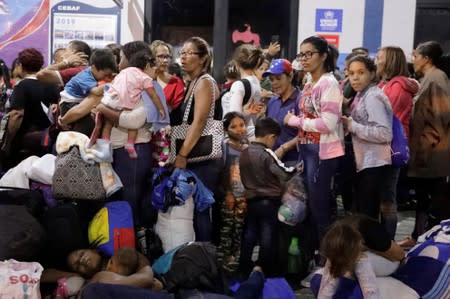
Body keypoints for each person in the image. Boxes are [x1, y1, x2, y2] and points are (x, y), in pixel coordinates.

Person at [284, 36, 344, 263]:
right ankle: (317, 255)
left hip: (322, 151)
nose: (305, 59)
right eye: (302, 54)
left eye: (309, 54)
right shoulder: (310, 82)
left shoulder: (328, 83)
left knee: (320, 207)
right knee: (313, 204)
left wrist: (296, 122)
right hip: (308, 149)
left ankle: (327, 260)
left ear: (323, 56)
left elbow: (327, 124)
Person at [95, 41, 156, 236]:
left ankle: (132, 249)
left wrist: (103, 109)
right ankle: (119, 245)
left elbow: (134, 120)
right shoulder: (124, 81)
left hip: (134, 151)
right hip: (119, 149)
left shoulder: (147, 84)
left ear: (131, 60)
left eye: (121, 58)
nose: (118, 62)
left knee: (131, 201)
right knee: (120, 202)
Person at [170, 36, 221, 242]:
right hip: (195, 157)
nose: (183, 57)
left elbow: (199, 122)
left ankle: (205, 257)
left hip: (204, 159)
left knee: (202, 210)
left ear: (202, 59)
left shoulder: (205, 82)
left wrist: (182, 154)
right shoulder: (191, 83)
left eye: (189, 53)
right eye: (181, 53)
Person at [401, 41, 450, 248]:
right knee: (423, 198)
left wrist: (428, 145)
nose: (413, 59)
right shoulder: (427, 78)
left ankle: (429, 240)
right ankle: (418, 236)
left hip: (432, 151)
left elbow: (442, 116)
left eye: (416, 55)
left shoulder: (437, 78)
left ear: (426, 58)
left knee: (432, 200)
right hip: (424, 150)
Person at [238, 117, 297, 277]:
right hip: (268, 201)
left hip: (251, 200)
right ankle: (263, 268)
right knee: (267, 235)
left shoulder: (244, 152)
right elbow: (283, 173)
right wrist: (297, 170)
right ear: (271, 136)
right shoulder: (266, 154)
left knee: (250, 233)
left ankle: (243, 267)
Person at [375, 46, 420, 239]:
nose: (376, 61)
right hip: (381, 147)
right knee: (383, 195)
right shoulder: (386, 84)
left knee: (387, 197)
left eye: (379, 57)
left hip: (390, 148)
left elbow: (384, 116)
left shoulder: (397, 87)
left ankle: (387, 239)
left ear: (390, 61)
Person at [341, 55, 393, 220]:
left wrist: (352, 125)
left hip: (374, 164)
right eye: (351, 73)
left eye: (361, 72)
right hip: (366, 162)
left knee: (367, 215)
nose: (355, 77)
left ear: (372, 73)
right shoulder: (362, 94)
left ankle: (373, 245)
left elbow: (384, 133)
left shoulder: (373, 96)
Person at [318, 215, 405, 299]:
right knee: (335, 258)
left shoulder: (372, 234)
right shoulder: (335, 235)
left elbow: (400, 256)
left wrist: (368, 249)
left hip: (391, 261)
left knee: (360, 260)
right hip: (356, 250)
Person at [100, 49, 166, 159]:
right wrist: (161, 109)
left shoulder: (124, 72)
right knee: (133, 128)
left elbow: (114, 85)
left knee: (107, 124)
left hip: (111, 100)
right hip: (127, 104)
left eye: (121, 58)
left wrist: (102, 107)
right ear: (147, 66)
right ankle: (130, 143)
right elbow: (153, 96)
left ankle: (105, 144)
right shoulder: (145, 78)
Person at [5, 48, 60, 167]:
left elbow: (16, 115)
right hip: (49, 138)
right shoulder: (52, 84)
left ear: (20, 65)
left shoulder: (22, 85)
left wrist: (8, 140)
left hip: (25, 139)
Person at [217, 112, 248, 273]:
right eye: (233, 126)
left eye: (241, 125)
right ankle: (222, 264)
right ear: (226, 129)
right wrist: (227, 193)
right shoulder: (224, 146)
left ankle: (236, 263)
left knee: (239, 230)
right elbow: (222, 172)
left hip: (244, 197)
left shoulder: (248, 146)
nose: (239, 130)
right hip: (229, 197)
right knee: (226, 230)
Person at [264, 58, 300, 166]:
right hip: (272, 161)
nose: (274, 83)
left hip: (294, 162)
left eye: (278, 78)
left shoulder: (301, 100)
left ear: (290, 76)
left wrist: (284, 148)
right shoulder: (272, 102)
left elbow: (307, 134)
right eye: (271, 79)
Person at [224, 44, 265, 138]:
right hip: (248, 132)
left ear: (236, 63)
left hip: (238, 138)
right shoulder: (255, 81)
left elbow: (234, 121)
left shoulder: (239, 85)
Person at [150, 40, 185, 111]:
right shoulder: (144, 79)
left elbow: (177, 112)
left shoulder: (176, 82)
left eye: (167, 57)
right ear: (152, 58)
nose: (165, 60)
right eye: (161, 56)